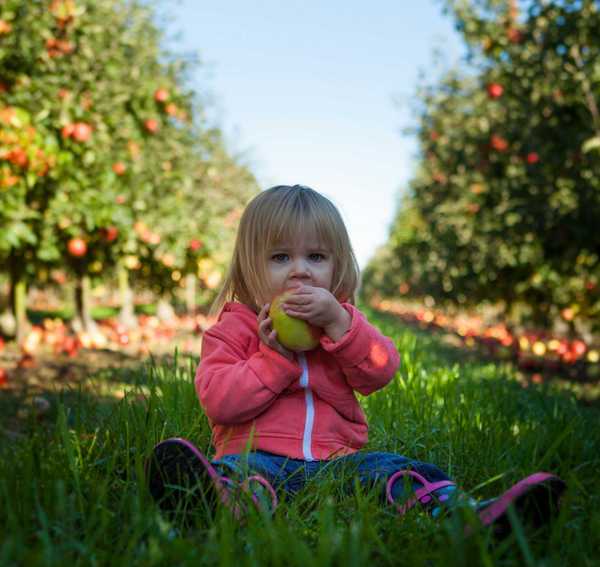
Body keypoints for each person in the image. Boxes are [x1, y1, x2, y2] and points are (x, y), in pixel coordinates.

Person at [146, 184, 565, 535]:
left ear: (336, 264)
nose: (300, 272)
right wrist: (273, 360)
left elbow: (381, 371)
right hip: (257, 455)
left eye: (316, 257)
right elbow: (220, 401)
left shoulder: (342, 323)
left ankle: (470, 516)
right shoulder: (232, 331)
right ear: (247, 266)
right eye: (280, 258)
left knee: (400, 472)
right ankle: (216, 503)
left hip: (338, 463)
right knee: (240, 475)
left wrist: (341, 327)